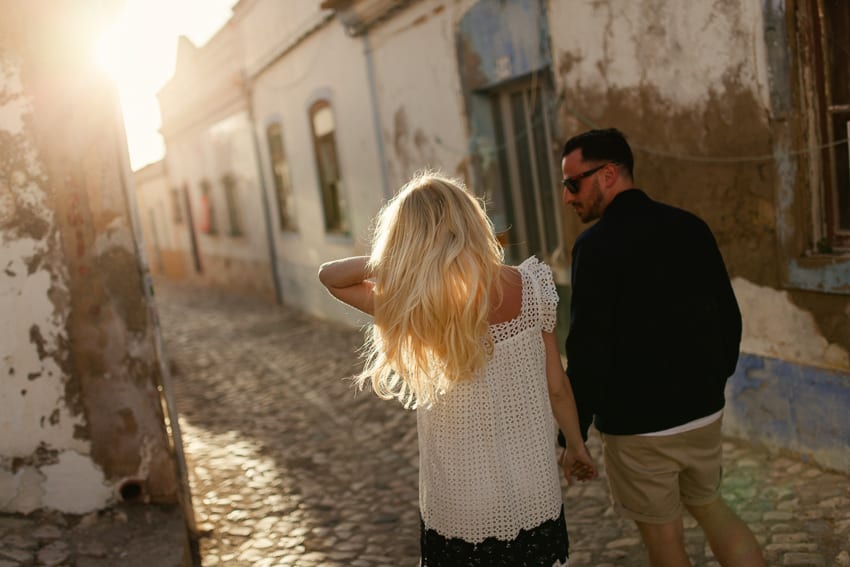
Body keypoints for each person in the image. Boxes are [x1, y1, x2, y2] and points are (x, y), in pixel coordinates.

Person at [318, 171, 596, 566]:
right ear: (472, 220)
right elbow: (557, 387)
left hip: (460, 502)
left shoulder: (417, 306)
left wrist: (405, 261)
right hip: (534, 490)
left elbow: (331, 277)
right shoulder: (533, 286)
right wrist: (575, 446)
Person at [559, 128, 764, 567]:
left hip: (639, 429)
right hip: (702, 413)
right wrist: (712, 382)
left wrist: (574, 434)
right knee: (713, 509)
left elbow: (589, 349)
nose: (567, 197)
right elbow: (729, 317)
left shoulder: (594, 247)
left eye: (573, 183)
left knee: (664, 541)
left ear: (608, 174)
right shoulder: (690, 226)